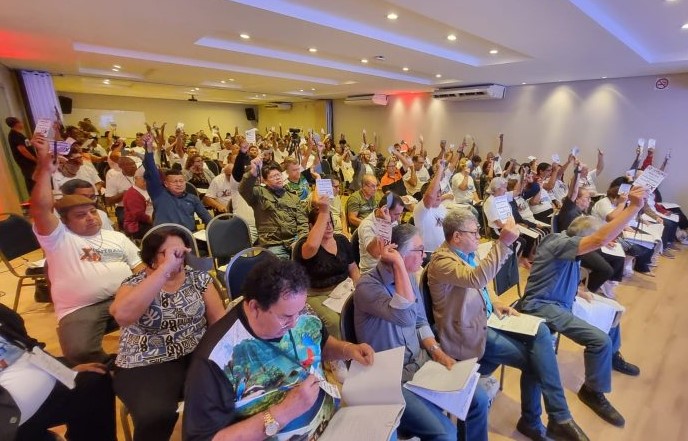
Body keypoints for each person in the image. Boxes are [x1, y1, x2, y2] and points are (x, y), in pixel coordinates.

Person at [428, 209, 588, 441]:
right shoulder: (442, 261)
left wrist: (495, 302)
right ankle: (543, 420)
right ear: (456, 237)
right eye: (474, 233)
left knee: (541, 331)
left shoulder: (464, 254)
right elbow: (475, 279)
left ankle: (553, 418)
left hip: (485, 321)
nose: (478, 236)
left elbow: (480, 288)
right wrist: (502, 243)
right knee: (536, 363)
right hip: (468, 335)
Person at [182, 259, 374, 440]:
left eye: (299, 312)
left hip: (334, 424)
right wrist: (285, 411)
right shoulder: (215, 359)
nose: (295, 322)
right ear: (255, 307)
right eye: (286, 317)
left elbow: (320, 343)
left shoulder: (299, 311)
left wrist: (347, 349)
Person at [516, 186, 648, 429]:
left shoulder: (566, 247)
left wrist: (577, 289)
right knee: (599, 340)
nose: (596, 249)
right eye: (592, 244)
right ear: (582, 239)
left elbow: (553, 274)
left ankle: (611, 357)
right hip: (542, 306)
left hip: (562, 301)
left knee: (612, 311)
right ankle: (592, 390)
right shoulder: (559, 242)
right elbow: (601, 238)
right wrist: (634, 207)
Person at [354, 224, 490, 441]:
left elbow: (418, 321)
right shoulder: (367, 287)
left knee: (480, 399)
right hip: (391, 378)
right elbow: (405, 316)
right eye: (419, 250)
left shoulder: (409, 278)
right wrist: (398, 264)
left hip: (420, 362)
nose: (423, 257)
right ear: (398, 253)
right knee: (446, 434)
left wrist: (437, 351)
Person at [30, 133, 144, 364]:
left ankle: (143, 362)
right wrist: (43, 167)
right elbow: (41, 209)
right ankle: (111, 369)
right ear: (65, 221)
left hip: (124, 297)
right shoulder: (59, 239)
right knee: (80, 353)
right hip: (82, 307)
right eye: (81, 215)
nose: (91, 218)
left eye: (92, 211)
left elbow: (139, 267)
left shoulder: (116, 237)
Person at [109, 226, 224, 441]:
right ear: (152, 256)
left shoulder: (198, 279)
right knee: (156, 415)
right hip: (146, 361)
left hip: (194, 353)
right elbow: (123, 316)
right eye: (169, 253)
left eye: (181, 252)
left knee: (228, 393)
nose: (177, 258)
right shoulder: (134, 283)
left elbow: (218, 321)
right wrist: (164, 272)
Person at [0, 304, 116, 441]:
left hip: (43, 388)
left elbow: (27, 345)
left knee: (95, 378)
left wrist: (62, 371)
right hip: (10, 419)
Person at [294, 196, 360, 338]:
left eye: (331, 222)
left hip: (343, 288)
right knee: (335, 321)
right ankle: (340, 356)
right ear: (312, 227)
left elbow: (353, 268)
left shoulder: (341, 240)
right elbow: (312, 246)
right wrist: (324, 211)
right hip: (316, 294)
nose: (329, 227)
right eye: (324, 223)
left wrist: (359, 286)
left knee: (364, 307)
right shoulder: (304, 246)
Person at [237, 144, 309, 259]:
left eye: (279, 175)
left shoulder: (293, 197)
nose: (278, 178)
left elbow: (303, 222)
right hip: (273, 244)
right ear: (264, 181)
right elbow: (243, 189)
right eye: (273, 176)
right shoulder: (259, 194)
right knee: (281, 269)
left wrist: (301, 241)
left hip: (294, 242)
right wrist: (253, 173)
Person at [143, 137, 212, 232]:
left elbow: (206, 217)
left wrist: (210, 232)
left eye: (181, 181)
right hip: (164, 237)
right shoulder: (158, 194)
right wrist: (149, 149)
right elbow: (151, 169)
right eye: (175, 182)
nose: (179, 184)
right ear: (166, 184)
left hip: (189, 236)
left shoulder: (192, 198)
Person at [358, 192, 405, 274]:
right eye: (396, 214)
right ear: (384, 210)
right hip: (372, 271)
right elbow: (375, 253)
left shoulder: (393, 221)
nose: (398, 218)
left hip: (389, 266)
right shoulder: (367, 225)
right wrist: (384, 224)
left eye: (400, 214)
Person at [413, 160, 449, 264]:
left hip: (444, 251)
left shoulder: (442, 208)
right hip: (427, 254)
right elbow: (430, 196)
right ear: (424, 196)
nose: (438, 195)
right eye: (435, 193)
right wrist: (440, 169)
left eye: (440, 192)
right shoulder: (421, 209)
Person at [5, 116, 36, 194]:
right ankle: (35, 200)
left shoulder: (19, 135)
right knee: (32, 181)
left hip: (29, 163)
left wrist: (33, 140)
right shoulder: (14, 135)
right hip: (26, 163)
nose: (22, 124)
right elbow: (22, 150)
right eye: (20, 122)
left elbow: (26, 144)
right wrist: (34, 159)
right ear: (17, 124)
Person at [104, 155, 137, 227]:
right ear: (121, 166)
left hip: (146, 205)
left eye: (133, 163)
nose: (133, 166)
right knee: (127, 220)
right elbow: (108, 201)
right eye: (129, 164)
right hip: (125, 208)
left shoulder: (142, 176)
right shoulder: (114, 180)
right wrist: (123, 193)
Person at [122, 166, 154, 239]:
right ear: (136, 179)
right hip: (138, 224)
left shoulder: (150, 189)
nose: (147, 182)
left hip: (152, 218)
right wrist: (156, 221)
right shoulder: (132, 194)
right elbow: (139, 215)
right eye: (144, 180)